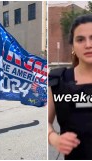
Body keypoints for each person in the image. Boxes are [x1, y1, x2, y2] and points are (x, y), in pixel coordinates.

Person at [48, 14, 92, 160]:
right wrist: (54, 138)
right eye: (80, 39)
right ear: (73, 46)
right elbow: (46, 122)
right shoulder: (57, 81)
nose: (88, 44)